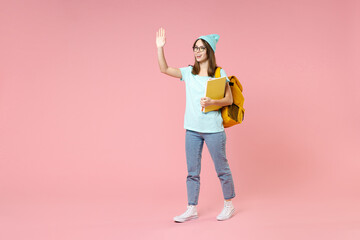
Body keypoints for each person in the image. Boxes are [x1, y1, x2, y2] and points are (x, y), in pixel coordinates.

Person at [156, 27, 236, 222]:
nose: (197, 51)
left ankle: (229, 204)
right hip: (192, 130)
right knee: (192, 172)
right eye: (195, 48)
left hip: (213, 130)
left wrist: (212, 103)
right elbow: (164, 69)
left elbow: (228, 99)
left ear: (209, 50)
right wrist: (160, 48)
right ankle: (191, 208)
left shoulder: (218, 72)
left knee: (222, 168)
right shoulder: (188, 72)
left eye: (201, 48)